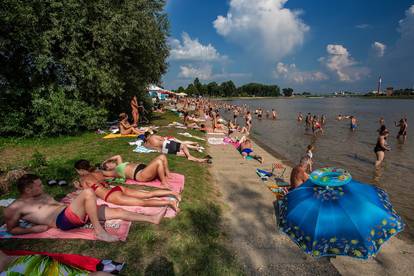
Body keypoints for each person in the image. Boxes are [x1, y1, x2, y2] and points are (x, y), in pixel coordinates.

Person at [4, 174, 168, 242]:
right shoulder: (15, 207)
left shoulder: (40, 195)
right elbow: (12, 229)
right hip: (63, 221)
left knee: (118, 212)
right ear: (27, 190)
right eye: (38, 186)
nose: (42, 187)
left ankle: (152, 219)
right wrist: (32, 230)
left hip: (71, 212)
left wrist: (74, 202)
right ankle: (99, 232)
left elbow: (55, 205)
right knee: (88, 192)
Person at [75, 160, 180, 211]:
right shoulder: (98, 172)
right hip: (117, 188)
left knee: (142, 203)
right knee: (147, 194)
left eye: (77, 171)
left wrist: (78, 188)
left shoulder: (83, 179)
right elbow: (99, 183)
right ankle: (172, 192)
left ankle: (170, 202)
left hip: (110, 196)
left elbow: (88, 194)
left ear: (81, 170)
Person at [100, 154, 171, 188]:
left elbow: (118, 156)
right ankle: (163, 182)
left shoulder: (119, 165)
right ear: (108, 168)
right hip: (141, 175)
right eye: (108, 164)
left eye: (110, 162)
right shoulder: (115, 172)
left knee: (162, 156)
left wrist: (106, 160)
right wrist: (102, 168)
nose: (111, 163)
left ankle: (168, 175)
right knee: (159, 161)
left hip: (144, 170)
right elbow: (103, 172)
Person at [144, 132, 211, 163]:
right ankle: (190, 156)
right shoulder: (153, 136)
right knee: (183, 146)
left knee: (184, 154)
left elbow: (153, 148)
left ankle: (200, 160)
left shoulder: (146, 145)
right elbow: (162, 138)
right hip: (165, 144)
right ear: (149, 135)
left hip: (163, 150)